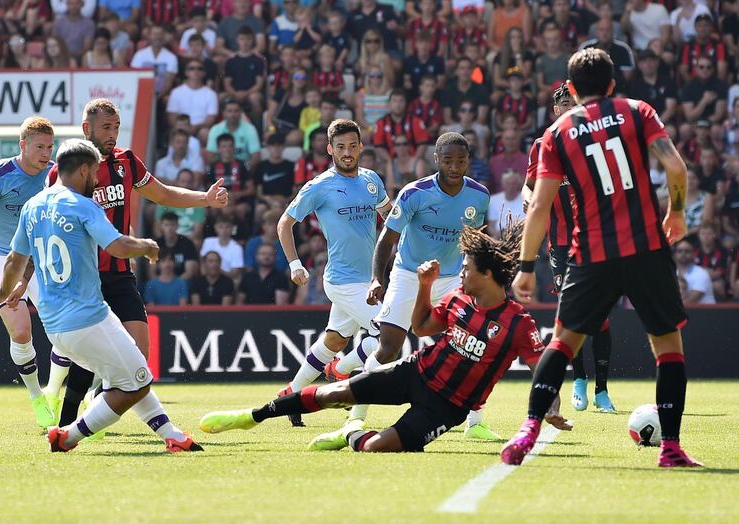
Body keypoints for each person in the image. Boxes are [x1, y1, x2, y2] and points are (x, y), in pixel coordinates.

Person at [199, 222, 571, 452]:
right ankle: (253, 415)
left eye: (467, 269)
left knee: (377, 447)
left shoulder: (517, 324)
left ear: (488, 274)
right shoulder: (459, 299)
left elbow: (544, 369)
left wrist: (549, 404)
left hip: (446, 407)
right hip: (415, 372)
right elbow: (423, 327)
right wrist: (424, 287)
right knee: (334, 392)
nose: (460, 275)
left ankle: (350, 436)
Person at [503, 49, 702, 468]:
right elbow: (677, 169)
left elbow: (538, 206)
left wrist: (525, 267)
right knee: (668, 347)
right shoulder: (637, 111)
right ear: (612, 84)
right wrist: (677, 212)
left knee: (563, 342)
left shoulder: (558, 133)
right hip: (647, 247)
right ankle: (671, 449)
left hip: (591, 254)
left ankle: (528, 430)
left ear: (571, 89)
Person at [0, 138, 202, 453]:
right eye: (95, 172)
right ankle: (68, 436)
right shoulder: (83, 205)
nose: (97, 179)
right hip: (87, 318)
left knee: (133, 371)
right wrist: (146, 246)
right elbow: (117, 246)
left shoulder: (33, 206)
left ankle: (173, 436)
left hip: (55, 324)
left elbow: (16, 260)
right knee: (137, 381)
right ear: (84, 169)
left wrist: (2, 291)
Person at [46, 98, 228, 431]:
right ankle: (68, 423)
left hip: (119, 274)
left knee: (139, 353)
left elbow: (162, 194)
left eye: (116, 127)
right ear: (87, 129)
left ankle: (91, 412)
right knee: (88, 356)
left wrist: (204, 198)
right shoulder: (66, 171)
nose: (113, 134)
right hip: (85, 277)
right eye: (106, 127)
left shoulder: (126, 161)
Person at [318, 131, 493, 442]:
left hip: (451, 278)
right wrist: (377, 278)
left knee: (473, 345)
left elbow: (478, 239)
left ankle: (475, 423)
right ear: (437, 160)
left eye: (462, 161)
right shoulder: (415, 193)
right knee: (387, 348)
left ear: (469, 162)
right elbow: (387, 240)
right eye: (449, 160)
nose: (455, 167)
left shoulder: (479, 195)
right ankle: (355, 417)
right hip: (409, 274)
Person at [276, 119, 391, 426]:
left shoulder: (372, 181)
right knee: (389, 335)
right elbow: (285, 223)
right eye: (340, 147)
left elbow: (389, 217)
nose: (347, 152)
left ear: (361, 147)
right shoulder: (319, 186)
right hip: (342, 280)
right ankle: (340, 373)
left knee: (334, 341)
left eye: (353, 146)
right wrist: (295, 264)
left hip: (369, 279)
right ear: (330, 150)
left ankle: (291, 394)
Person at [0, 116, 62, 428]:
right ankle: (36, 396)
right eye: (39, 147)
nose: (46, 153)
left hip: (40, 257)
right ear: (22, 145)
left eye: (50, 146)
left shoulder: (56, 175)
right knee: (21, 331)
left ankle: (55, 392)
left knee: (65, 331)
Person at [523, 84, 615, 413]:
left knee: (601, 316)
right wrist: (525, 196)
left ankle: (602, 390)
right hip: (561, 244)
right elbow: (530, 185)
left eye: (573, 103)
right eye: (563, 104)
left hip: (595, 237)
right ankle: (579, 380)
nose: (568, 108)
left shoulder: (593, 142)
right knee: (572, 313)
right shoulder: (542, 145)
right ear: (555, 110)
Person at [155, 212, 198, 280]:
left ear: (177, 226)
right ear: (161, 226)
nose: (169, 228)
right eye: (166, 225)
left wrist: (174, 284)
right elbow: (151, 273)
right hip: (160, 283)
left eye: (172, 225)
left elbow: (189, 272)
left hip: (181, 283)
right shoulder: (155, 244)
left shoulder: (187, 243)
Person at [674, 239, 716, 305]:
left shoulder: (701, 273)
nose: (683, 253)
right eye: (679, 251)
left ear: (693, 254)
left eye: (687, 251)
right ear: (675, 254)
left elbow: (691, 301)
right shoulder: (671, 273)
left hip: (706, 313)